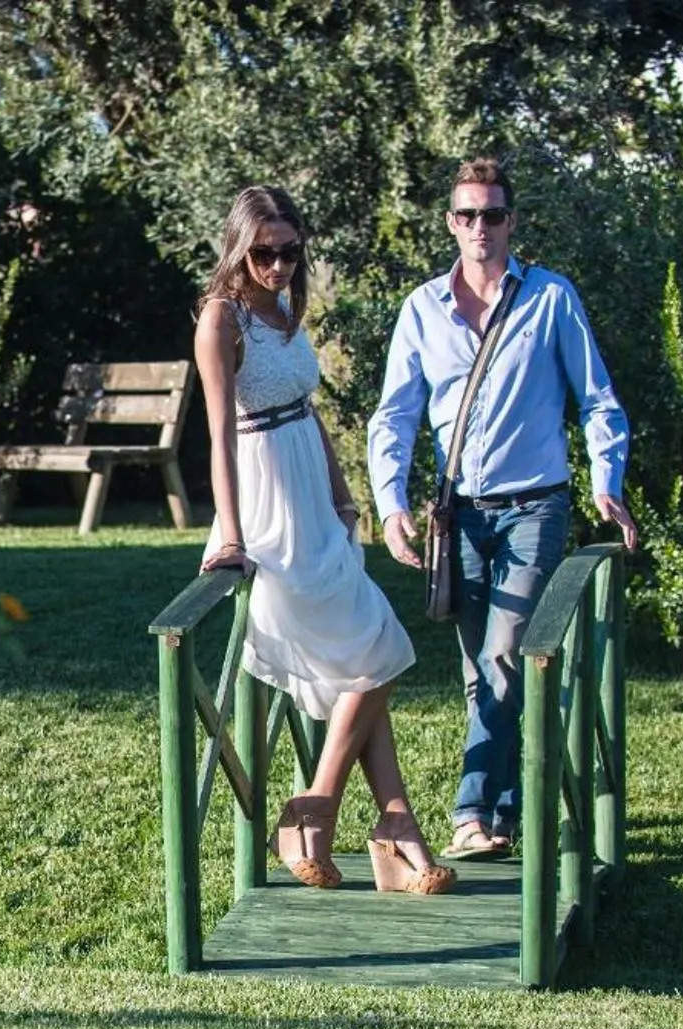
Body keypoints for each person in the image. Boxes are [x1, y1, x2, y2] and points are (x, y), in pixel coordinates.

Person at [367, 157, 636, 860]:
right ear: (449, 223)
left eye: (491, 214)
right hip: (457, 515)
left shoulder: (549, 298)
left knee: (503, 653)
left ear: (510, 222)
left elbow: (598, 399)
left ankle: (467, 809)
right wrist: (390, 502)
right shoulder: (422, 308)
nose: (478, 227)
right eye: (465, 215)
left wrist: (606, 481)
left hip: (534, 508)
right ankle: (506, 816)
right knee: (479, 672)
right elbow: (393, 416)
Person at [196, 185, 454, 896]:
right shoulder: (220, 320)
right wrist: (231, 536)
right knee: (377, 650)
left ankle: (372, 821)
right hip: (264, 508)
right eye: (264, 253)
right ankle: (344, 815)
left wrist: (346, 496)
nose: (278, 266)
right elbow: (217, 437)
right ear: (238, 248)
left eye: (289, 252)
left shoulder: (284, 311)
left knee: (363, 658)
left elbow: (303, 410)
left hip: (315, 499)